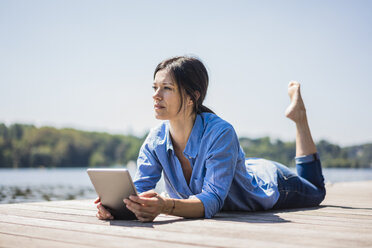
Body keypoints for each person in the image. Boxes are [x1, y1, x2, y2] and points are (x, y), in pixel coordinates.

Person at [95, 56, 326, 222]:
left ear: (192, 97)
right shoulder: (155, 141)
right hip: (241, 167)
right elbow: (139, 190)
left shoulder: (221, 133)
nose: (156, 95)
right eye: (155, 87)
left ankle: (300, 118)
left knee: (317, 192)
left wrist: (164, 205)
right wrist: (116, 206)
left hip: (272, 182)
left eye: (166, 88)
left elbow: (212, 200)